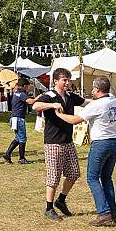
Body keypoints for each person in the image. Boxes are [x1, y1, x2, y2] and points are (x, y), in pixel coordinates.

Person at [56, 76, 116, 226]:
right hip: (114, 142)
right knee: (106, 178)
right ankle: (112, 212)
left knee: (92, 178)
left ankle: (104, 214)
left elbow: (74, 120)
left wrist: (59, 114)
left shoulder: (97, 105)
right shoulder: (113, 101)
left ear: (97, 89)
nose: (91, 90)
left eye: (93, 88)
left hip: (101, 144)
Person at [32, 68, 90, 221]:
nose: (67, 82)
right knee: (54, 176)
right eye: (64, 80)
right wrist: (52, 106)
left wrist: (104, 99)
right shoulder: (49, 96)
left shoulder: (71, 96)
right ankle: (49, 208)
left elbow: (86, 103)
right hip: (53, 142)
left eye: (68, 79)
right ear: (56, 81)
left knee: (74, 173)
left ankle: (61, 201)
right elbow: (35, 106)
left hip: (68, 141)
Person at [3, 78, 41, 164]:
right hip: (19, 119)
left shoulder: (16, 93)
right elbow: (30, 102)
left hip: (14, 118)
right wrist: (37, 98)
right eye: (27, 87)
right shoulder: (21, 94)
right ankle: (21, 158)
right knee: (22, 139)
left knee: (18, 138)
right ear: (23, 86)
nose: (27, 88)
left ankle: (7, 154)